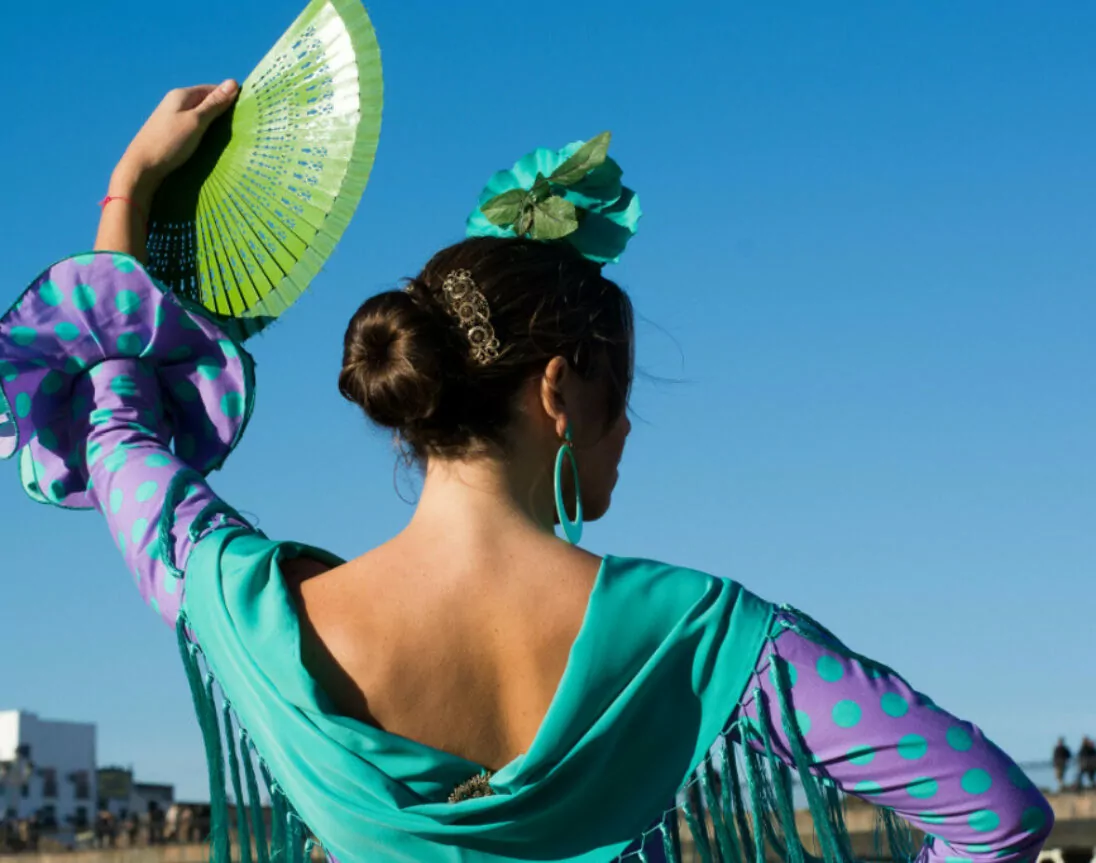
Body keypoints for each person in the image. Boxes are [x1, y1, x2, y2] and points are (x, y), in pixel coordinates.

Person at [0, 84, 1055, 863]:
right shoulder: (701, 633)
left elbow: (120, 425)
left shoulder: (246, 608)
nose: (626, 431)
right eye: (618, 398)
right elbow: (995, 812)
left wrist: (129, 188)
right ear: (558, 391)